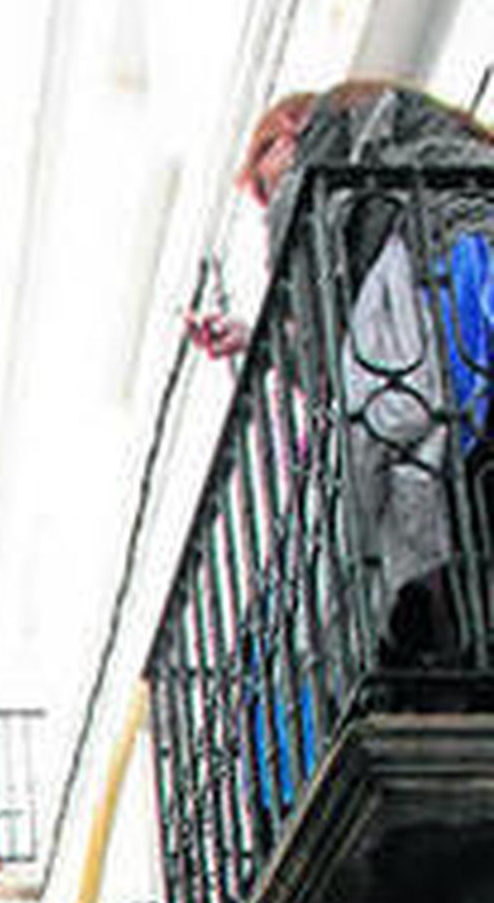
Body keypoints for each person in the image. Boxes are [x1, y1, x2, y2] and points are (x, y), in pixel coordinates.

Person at [186, 80, 494, 665]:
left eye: (261, 179)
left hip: (458, 274)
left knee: (388, 454)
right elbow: (338, 348)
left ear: (285, 134)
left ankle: (419, 623)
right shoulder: (391, 130)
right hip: (463, 277)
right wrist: (259, 343)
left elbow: (324, 327)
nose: (266, 195)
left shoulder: (327, 137)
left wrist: (278, 240)